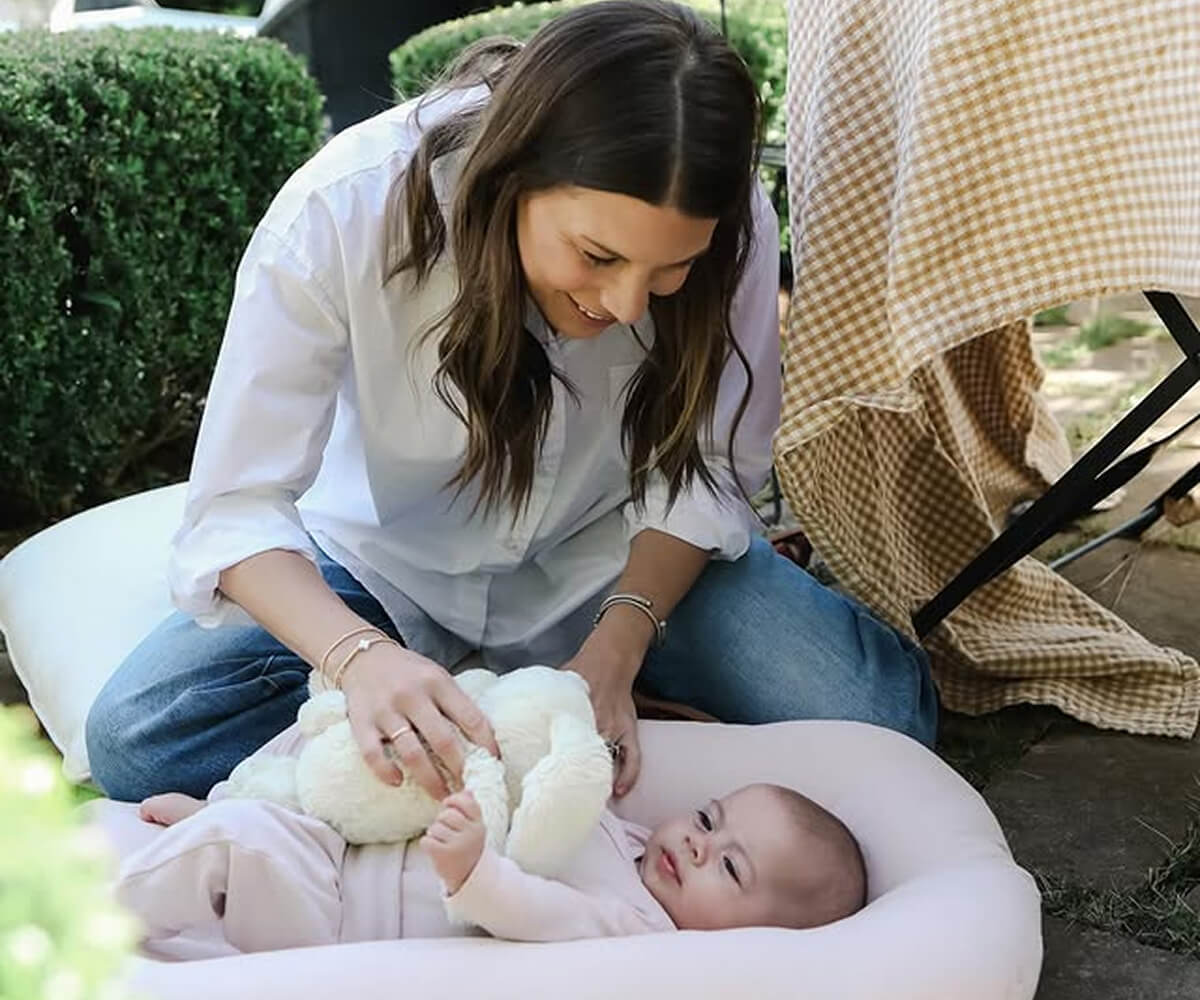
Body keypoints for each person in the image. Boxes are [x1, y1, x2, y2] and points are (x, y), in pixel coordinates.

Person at [84, 0, 937, 806]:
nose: (631, 305)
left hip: (620, 564)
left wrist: (617, 645)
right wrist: (359, 659)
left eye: (669, 273)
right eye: (597, 255)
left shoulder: (729, 223)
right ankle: (479, 695)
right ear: (513, 175)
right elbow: (238, 508)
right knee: (141, 739)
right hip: (385, 572)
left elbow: (709, 467)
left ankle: (589, 686)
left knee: (885, 722)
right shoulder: (341, 212)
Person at [112, 781, 867, 957]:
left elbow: (533, 911)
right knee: (274, 807)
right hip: (351, 851)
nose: (698, 843)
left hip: (342, 923)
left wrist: (473, 871)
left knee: (240, 847)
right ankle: (227, 807)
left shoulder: (636, 928)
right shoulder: (636, 843)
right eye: (708, 819)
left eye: (730, 869)